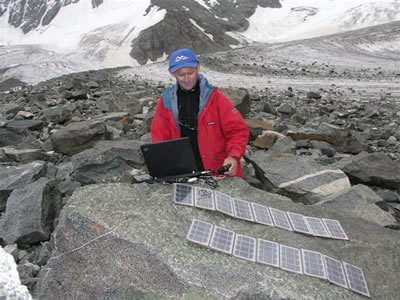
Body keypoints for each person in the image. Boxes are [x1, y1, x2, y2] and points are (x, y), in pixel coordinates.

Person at [150, 48, 249, 177]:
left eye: (190, 73)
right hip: (183, 170)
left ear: (198, 68)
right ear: (172, 73)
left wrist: (233, 156)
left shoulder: (215, 97)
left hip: (218, 170)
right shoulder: (166, 101)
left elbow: (237, 130)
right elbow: (159, 136)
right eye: (181, 74)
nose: (186, 79)